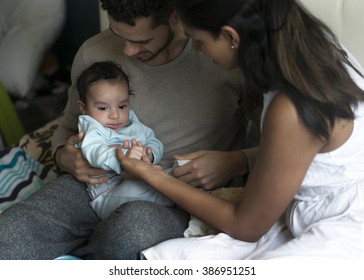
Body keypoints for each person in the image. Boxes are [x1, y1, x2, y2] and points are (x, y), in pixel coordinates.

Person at [0, 0, 251, 260]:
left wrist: (237, 161)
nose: (128, 51)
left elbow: (285, 146)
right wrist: (63, 156)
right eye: (118, 35)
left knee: (133, 232)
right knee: (10, 234)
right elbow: (66, 126)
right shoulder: (93, 52)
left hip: (177, 196)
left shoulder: (224, 57)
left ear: (175, 17)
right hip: (94, 184)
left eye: (142, 41)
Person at [116, 0, 364, 259]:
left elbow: (246, 227)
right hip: (307, 209)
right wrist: (240, 160)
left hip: (347, 225)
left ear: (230, 36)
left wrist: (153, 175)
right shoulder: (309, 45)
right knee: (171, 256)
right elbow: (310, 152)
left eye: (197, 40)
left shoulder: (293, 105)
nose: (197, 49)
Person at [76, 61, 173, 220]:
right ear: (83, 107)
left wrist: (150, 154)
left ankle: (176, 196)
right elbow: (94, 152)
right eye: (103, 108)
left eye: (122, 106)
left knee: (172, 172)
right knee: (138, 188)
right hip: (108, 193)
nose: (115, 115)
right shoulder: (93, 128)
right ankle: (176, 202)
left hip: (142, 178)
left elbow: (153, 141)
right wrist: (124, 160)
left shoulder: (132, 123)